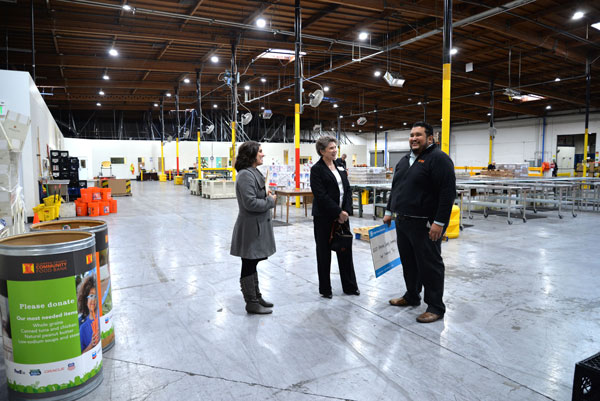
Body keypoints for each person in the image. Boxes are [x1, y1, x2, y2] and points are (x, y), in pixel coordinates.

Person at [383, 122, 456, 323]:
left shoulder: (439, 159)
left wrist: (439, 223)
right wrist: (389, 211)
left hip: (426, 224)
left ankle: (435, 306)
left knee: (430, 265)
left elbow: (447, 194)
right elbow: (396, 187)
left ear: (430, 138)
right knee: (409, 263)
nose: (414, 138)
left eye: (419, 135)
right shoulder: (405, 160)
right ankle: (412, 295)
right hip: (404, 221)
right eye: (411, 135)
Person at [230, 141, 277, 314]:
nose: (263, 154)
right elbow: (249, 203)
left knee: (253, 262)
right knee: (249, 263)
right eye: (260, 152)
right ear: (251, 155)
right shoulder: (245, 175)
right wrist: (269, 201)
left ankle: (256, 296)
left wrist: (266, 195)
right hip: (250, 227)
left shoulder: (253, 172)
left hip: (256, 225)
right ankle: (251, 302)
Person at [310, 136, 360, 299]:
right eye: (331, 148)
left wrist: (345, 211)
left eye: (335, 147)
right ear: (322, 151)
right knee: (324, 253)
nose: (334, 150)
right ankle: (326, 289)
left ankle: (350, 286)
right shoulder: (317, 169)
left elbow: (347, 189)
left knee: (345, 250)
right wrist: (337, 213)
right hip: (324, 217)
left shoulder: (339, 164)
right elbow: (320, 195)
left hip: (343, 216)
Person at [78, 275, 99, 352]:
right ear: (85, 300)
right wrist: (91, 344)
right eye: (91, 296)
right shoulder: (83, 328)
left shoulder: (102, 317)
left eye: (96, 296)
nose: (93, 300)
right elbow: (81, 354)